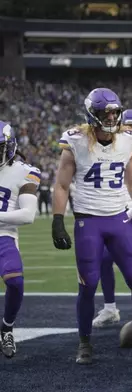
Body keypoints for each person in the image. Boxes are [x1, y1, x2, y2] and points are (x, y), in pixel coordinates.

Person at [51, 88, 132, 364]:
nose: (111, 117)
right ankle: (84, 342)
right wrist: (58, 220)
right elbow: (61, 184)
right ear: (91, 114)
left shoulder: (127, 139)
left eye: (114, 112)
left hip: (119, 219)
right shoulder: (76, 141)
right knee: (88, 284)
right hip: (88, 220)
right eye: (105, 112)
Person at [93, 108, 132, 328]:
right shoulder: (116, 147)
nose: (131, 131)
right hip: (118, 212)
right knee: (104, 260)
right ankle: (110, 307)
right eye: (128, 127)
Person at [0, 121, 39, 358]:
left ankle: (6, 327)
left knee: (15, 282)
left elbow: (28, 215)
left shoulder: (23, 171)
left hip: (4, 235)